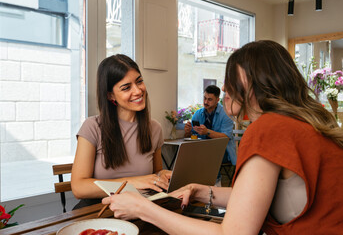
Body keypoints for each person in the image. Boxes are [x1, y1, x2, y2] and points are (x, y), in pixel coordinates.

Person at [102, 40, 343, 234]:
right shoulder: (312, 120)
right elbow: (259, 197)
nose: (225, 88)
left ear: (253, 84)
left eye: (230, 80)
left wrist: (143, 208)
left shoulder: (268, 128)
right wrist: (202, 191)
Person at [71, 54, 171, 209]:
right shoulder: (92, 127)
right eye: (126, 87)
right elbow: (79, 188)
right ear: (111, 95)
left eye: (139, 81)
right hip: (100, 210)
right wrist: (132, 182)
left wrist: (162, 176)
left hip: (141, 209)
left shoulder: (154, 128)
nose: (138, 91)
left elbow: (156, 172)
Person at [184, 85, 236, 165]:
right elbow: (190, 137)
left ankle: (213, 178)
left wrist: (207, 132)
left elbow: (226, 137)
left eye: (210, 99)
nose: (205, 102)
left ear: (217, 100)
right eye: (204, 98)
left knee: (206, 155)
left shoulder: (226, 114)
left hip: (223, 151)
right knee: (185, 153)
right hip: (203, 150)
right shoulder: (198, 114)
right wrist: (187, 132)